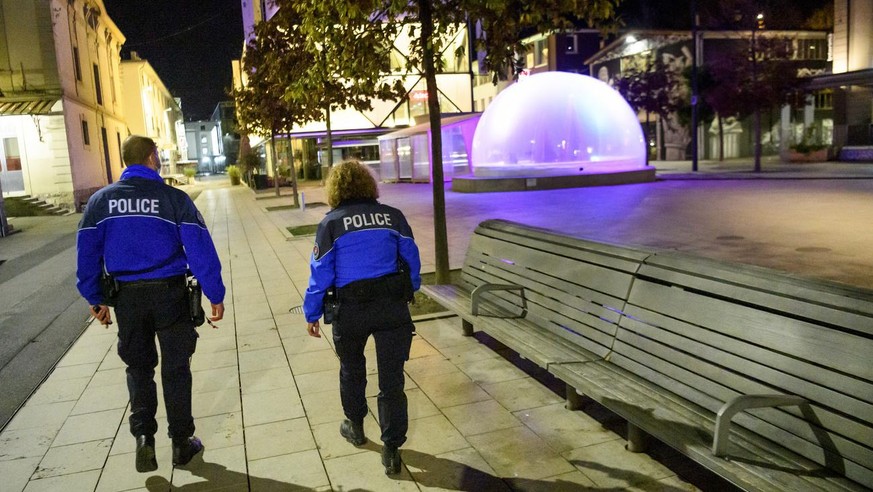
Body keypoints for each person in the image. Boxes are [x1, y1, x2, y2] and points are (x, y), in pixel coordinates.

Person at [76, 135, 225, 473]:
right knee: (176, 369)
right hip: (170, 295)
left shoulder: (100, 202)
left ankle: (144, 438)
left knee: (139, 368)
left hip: (127, 299)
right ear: (151, 156)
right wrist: (215, 294)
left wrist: (94, 297)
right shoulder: (173, 199)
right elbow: (200, 249)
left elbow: (86, 253)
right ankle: (181, 442)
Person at [303, 160, 421, 475]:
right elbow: (412, 258)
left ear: (335, 189)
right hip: (391, 307)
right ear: (370, 186)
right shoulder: (392, 217)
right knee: (392, 381)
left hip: (350, 310)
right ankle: (392, 449)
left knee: (351, 370)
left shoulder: (331, 224)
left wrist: (311, 312)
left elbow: (320, 274)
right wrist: (412, 289)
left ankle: (356, 427)